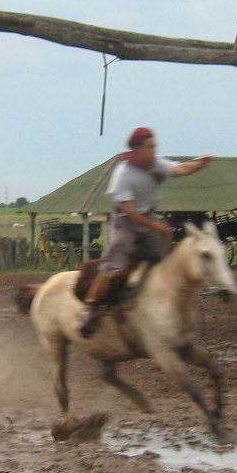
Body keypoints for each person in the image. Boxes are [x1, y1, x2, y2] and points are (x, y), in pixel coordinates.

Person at [79, 127, 214, 338]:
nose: (154, 150)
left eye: (154, 146)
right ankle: (89, 307)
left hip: (147, 217)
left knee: (159, 259)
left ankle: (156, 299)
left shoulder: (156, 164)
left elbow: (180, 169)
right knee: (114, 264)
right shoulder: (123, 175)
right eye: (150, 146)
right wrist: (156, 227)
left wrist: (200, 165)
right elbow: (130, 212)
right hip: (125, 222)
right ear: (136, 148)